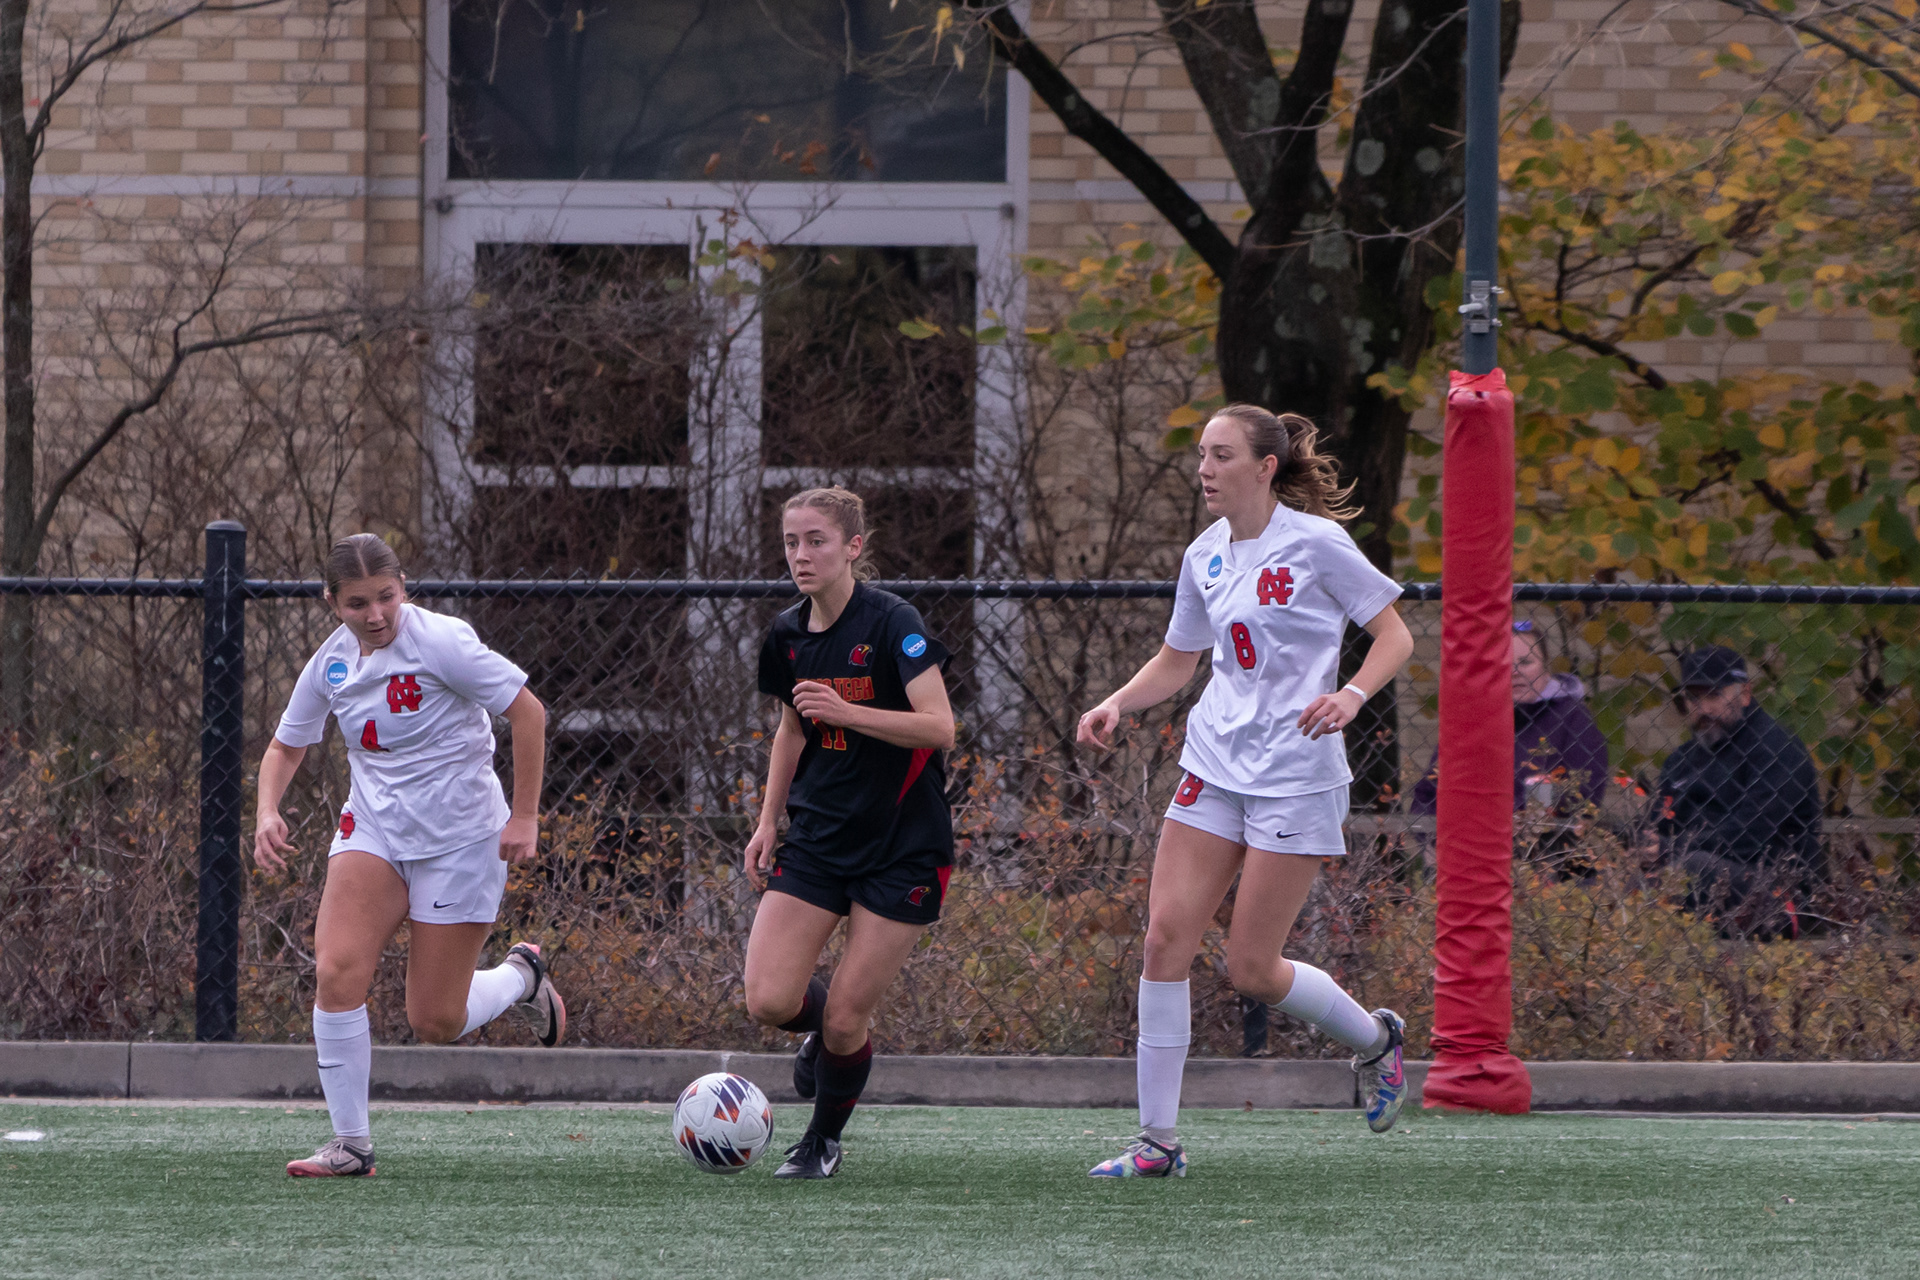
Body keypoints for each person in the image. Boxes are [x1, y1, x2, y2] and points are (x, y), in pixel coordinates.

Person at [1075, 403, 1416, 1179]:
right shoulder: (1204, 554)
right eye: (1201, 453)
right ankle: (1158, 1144)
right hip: (1214, 764)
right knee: (1163, 941)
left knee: (1252, 970)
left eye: (1221, 455)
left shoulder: (1317, 543)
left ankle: (1377, 1043)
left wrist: (1351, 696)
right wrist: (1117, 702)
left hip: (1295, 776)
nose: (1204, 468)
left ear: (1265, 467)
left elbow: (1395, 635)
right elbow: (1179, 660)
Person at [253, 533, 564, 1178]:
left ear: (404, 589)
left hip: (461, 839)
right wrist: (267, 811)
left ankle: (522, 978)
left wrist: (525, 816)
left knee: (435, 1020)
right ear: (331, 601)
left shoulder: (443, 642)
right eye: (357, 603)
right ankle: (350, 1145)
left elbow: (529, 714)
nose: (376, 615)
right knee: (336, 970)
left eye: (387, 597)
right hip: (374, 830)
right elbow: (286, 746)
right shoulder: (331, 663)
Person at [741, 488, 957, 1180]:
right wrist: (767, 820)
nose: (801, 555)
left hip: (903, 845)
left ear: (853, 547)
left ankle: (821, 1142)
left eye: (817, 541)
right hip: (819, 837)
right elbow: (792, 729)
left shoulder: (893, 622)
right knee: (769, 1000)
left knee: (843, 1020)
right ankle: (831, 1036)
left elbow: (940, 727)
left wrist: (848, 711)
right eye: (792, 542)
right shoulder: (786, 634)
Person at [1654, 646, 1822, 937]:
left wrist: (1670, 849)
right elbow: (1657, 826)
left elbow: (1749, 837)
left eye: (1714, 695)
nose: (1704, 709)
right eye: (1693, 698)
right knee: (1610, 873)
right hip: (1692, 876)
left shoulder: (1778, 750)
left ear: (1745, 693)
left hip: (1776, 895)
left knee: (1693, 868)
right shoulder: (1680, 761)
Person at [1411, 620, 1610, 815]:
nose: (1515, 672)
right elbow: (1427, 795)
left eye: (1526, 662)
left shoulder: (1573, 717)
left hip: (1543, 835)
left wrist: (1512, 814)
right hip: (1468, 833)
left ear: (1546, 667)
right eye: (1504, 663)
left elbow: (1584, 793)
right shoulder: (1472, 720)